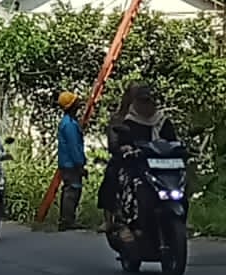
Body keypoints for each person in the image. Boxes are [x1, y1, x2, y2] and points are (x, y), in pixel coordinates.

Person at [99, 83, 177, 236]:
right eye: (141, 101)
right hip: (136, 161)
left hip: (160, 162)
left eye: (148, 101)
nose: (145, 105)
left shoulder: (162, 121)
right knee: (114, 174)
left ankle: (178, 216)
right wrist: (125, 148)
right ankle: (116, 217)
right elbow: (118, 142)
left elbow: (172, 140)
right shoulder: (127, 121)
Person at [56, 91, 86, 231]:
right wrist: (80, 164)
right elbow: (74, 147)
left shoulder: (69, 122)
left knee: (71, 189)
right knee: (72, 190)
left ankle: (67, 219)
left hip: (67, 163)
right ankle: (67, 220)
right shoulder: (69, 125)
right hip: (71, 164)